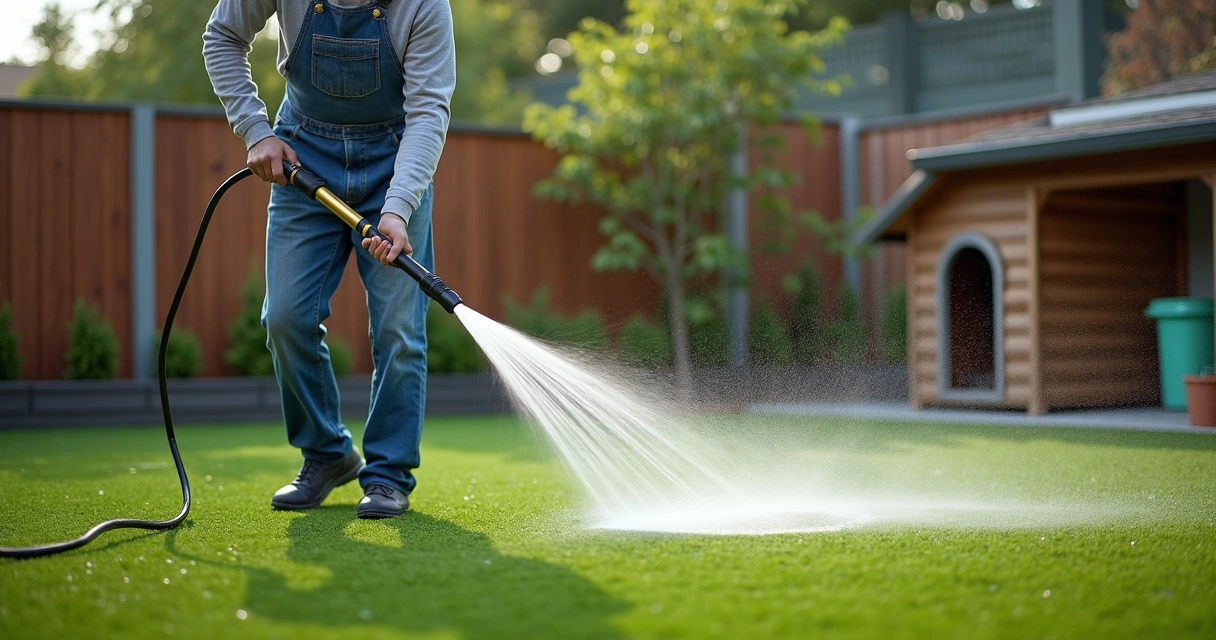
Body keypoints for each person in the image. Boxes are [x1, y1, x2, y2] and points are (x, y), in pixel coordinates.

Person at [203, 0, 455, 518]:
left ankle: (387, 475)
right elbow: (222, 37)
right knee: (286, 318)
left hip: (395, 160)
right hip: (302, 155)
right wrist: (256, 131)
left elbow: (429, 109)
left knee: (399, 332)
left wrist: (399, 209)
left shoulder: (424, 5)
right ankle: (328, 453)